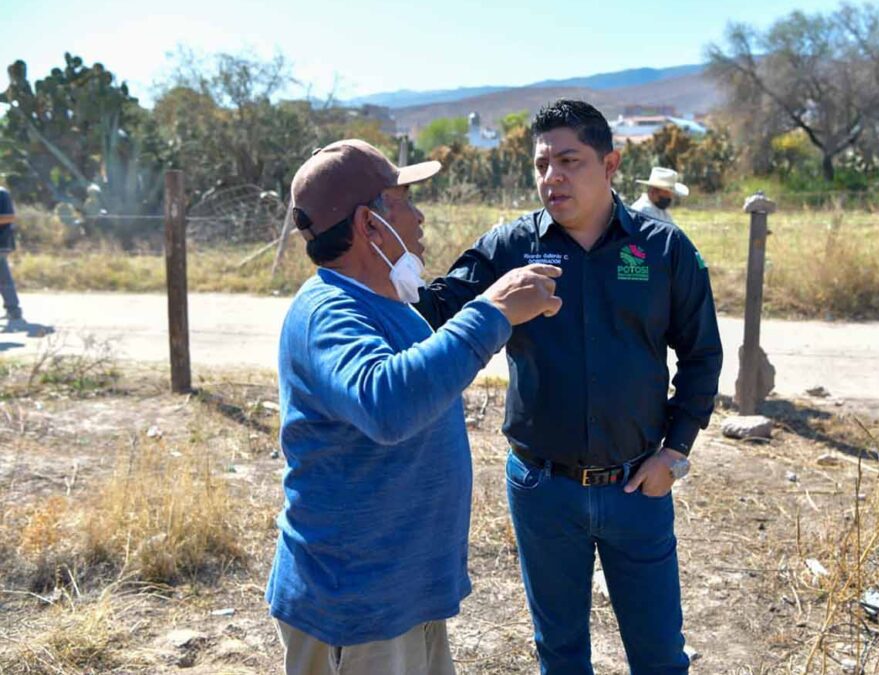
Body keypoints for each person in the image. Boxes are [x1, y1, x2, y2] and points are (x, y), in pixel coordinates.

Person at [415, 100, 722, 674]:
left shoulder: (660, 248)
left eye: (569, 161)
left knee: (659, 654)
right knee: (559, 651)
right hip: (543, 489)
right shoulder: (510, 249)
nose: (551, 176)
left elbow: (702, 353)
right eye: (541, 164)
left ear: (610, 165)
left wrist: (675, 451)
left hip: (638, 487)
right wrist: (385, 256)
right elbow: (431, 311)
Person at [266, 139, 563, 675]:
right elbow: (388, 404)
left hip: (397, 596)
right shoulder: (328, 312)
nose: (420, 215)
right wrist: (491, 314)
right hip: (353, 609)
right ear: (369, 224)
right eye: (404, 199)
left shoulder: (385, 304)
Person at [0, 186, 25, 331]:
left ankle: (14, 310)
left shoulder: (1, 193)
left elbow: (9, 216)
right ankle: (13, 309)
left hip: (1, 242)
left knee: (3, 277)